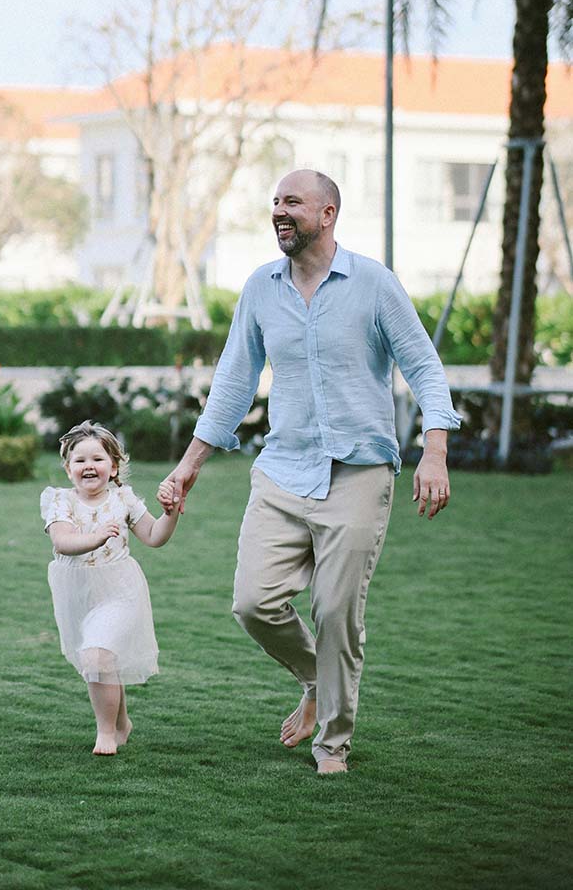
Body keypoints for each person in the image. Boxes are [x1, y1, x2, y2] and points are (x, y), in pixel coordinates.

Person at [158, 169, 460, 775]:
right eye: (274, 202)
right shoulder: (261, 288)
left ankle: (332, 745)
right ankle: (315, 680)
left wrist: (435, 451)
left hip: (360, 472)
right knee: (252, 602)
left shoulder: (373, 283)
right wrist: (189, 466)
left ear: (327, 214)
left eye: (291, 202)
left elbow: (424, 367)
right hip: (283, 470)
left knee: (336, 611)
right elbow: (233, 383)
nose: (279, 211)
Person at [40, 420, 180, 755]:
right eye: (80, 460)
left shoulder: (124, 500)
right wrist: (98, 535)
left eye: (98, 459)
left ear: (114, 465)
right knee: (102, 661)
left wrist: (170, 514)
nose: (89, 466)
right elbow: (63, 542)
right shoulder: (60, 502)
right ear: (68, 467)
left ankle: (106, 733)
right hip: (77, 592)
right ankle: (121, 723)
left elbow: (153, 536)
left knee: (97, 654)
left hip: (119, 589)